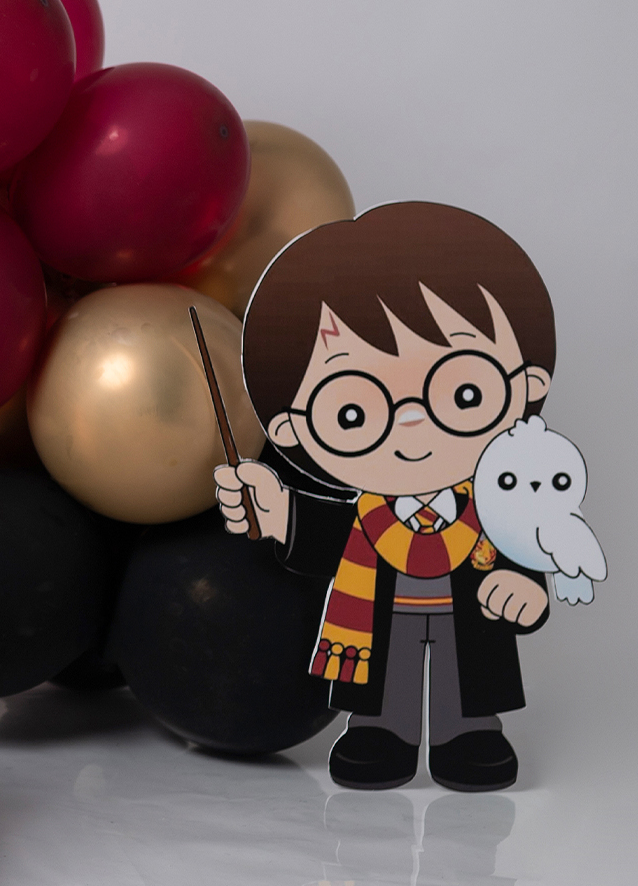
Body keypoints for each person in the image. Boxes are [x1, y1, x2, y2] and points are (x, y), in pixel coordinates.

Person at [213, 202, 555, 792]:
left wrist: (527, 591)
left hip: (470, 611)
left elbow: (525, 547)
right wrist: (279, 511)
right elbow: (329, 535)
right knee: (387, 673)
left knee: (465, 674)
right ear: (290, 430)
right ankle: (382, 731)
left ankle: (467, 732)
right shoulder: (365, 516)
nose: (412, 423)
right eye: (354, 411)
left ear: (527, 388)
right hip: (380, 606)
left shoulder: (502, 505)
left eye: (464, 394)